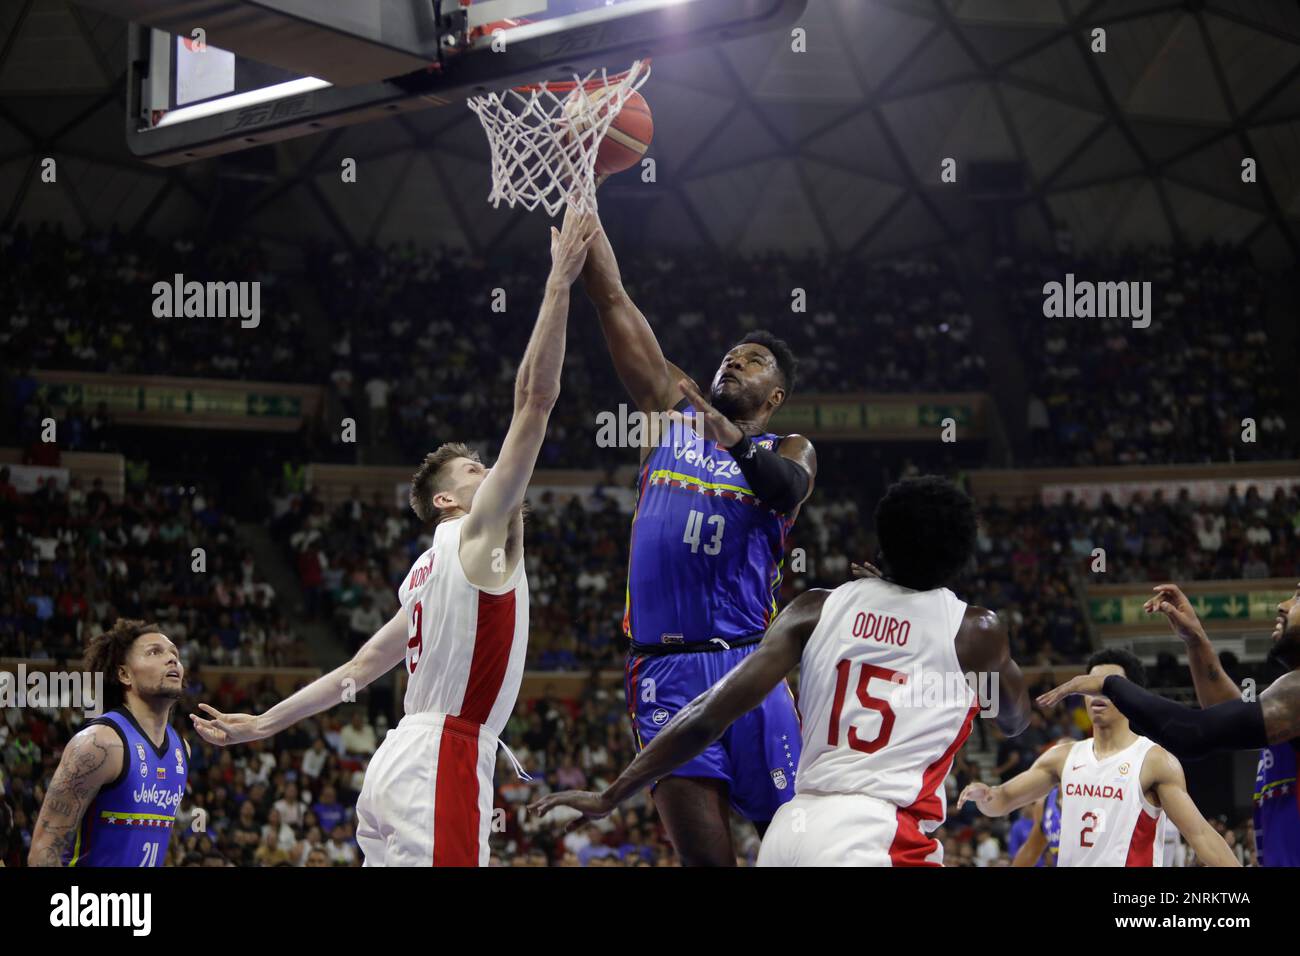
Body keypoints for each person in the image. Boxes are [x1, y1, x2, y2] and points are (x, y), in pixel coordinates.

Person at [190, 208, 601, 866]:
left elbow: (355, 673)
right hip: (443, 754)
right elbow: (535, 399)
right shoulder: (475, 531)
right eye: (475, 468)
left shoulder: (421, 578)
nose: (491, 470)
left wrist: (262, 724)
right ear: (447, 499)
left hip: (396, 761)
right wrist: (558, 284)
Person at [532, 477, 1031, 866]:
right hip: (878, 837)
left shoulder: (814, 609)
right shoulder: (976, 631)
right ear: (961, 555)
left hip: (794, 830)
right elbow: (1014, 721)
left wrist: (612, 793)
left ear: (882, 539)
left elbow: (708, 715)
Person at [579, 209, 816, 864]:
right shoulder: (670, 411)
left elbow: (786, 490)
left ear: (774, 396)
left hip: (751, 665)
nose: (736, 360)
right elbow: (612, 296)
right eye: (731, 355)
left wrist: (730, 437)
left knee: (802, 849)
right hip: (663, 669)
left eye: (755, 361)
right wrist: (583, 195)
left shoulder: (786, 445)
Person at [1039, 581, 1300, 866]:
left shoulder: (1296, 693)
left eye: (1298, 597)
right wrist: (1195, 640)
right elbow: (1222, 715)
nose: (1282, 604)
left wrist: (1109, 683)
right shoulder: (1287, 706)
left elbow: (1191, 731)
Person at [964, 649, 1238, 867]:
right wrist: (984, 794)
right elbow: (1001, 802)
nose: (1096, 693)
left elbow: (1201, 836)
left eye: (1108, 686)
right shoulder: (1062, 757)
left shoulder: (1154, 761)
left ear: (1132, 696)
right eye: (1090, 685)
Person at [28, 620, 190, 866]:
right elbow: (43, 852)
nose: (172, 659)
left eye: (174, 654)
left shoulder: (181, 750)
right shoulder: (99, 743)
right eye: (154, 652)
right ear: (124, 674)